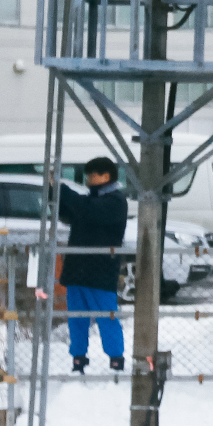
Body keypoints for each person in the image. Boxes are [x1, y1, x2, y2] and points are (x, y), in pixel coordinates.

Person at [57, 156, 128, 373]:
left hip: (100, 271)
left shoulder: (115, 201)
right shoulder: (91, 199)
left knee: (107, 317)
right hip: (78, 269)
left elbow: (90, 210)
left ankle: (116, 360)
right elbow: (71, 213)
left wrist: (63, 191)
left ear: (106, 176)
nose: (88, 179)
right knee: (77, 318)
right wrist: (56, 198)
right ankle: (78, 358)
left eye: (92, 175)